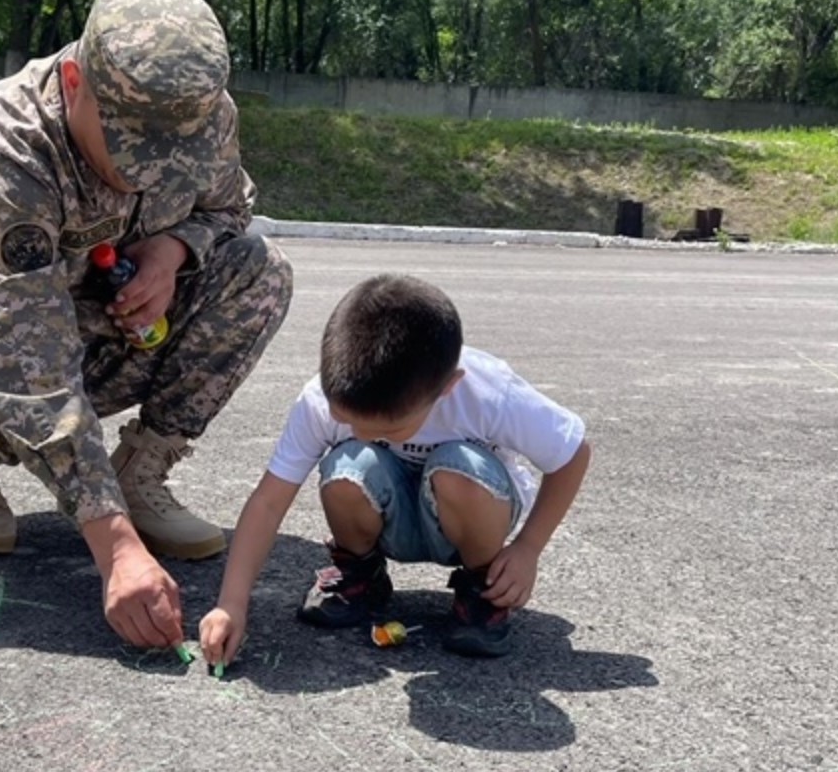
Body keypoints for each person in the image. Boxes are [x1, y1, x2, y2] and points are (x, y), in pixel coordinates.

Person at [0, 0, 293, 650]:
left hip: (101, 325)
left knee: (257, 272)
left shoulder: (201, 113)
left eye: (168, 152)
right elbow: (15, 348)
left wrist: (173, 250)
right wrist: (114, 546)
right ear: (74, 80)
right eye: (128, 144)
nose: (145, 172)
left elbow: (227, 209)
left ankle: (140, 471)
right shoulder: (3, 146)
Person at [199, 274, 590, 663]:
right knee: (346, 465)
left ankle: (482, 591)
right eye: (347, 421)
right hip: (391, 518)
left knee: (458, 467)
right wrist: (231, 603)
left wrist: (528, 549)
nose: (365, 435)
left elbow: (572, 453)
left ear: (448, 387)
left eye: (389, 430)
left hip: (470, 519)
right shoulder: (321, 398)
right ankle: (362, 577)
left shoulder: (488, 393)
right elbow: (269, 501)